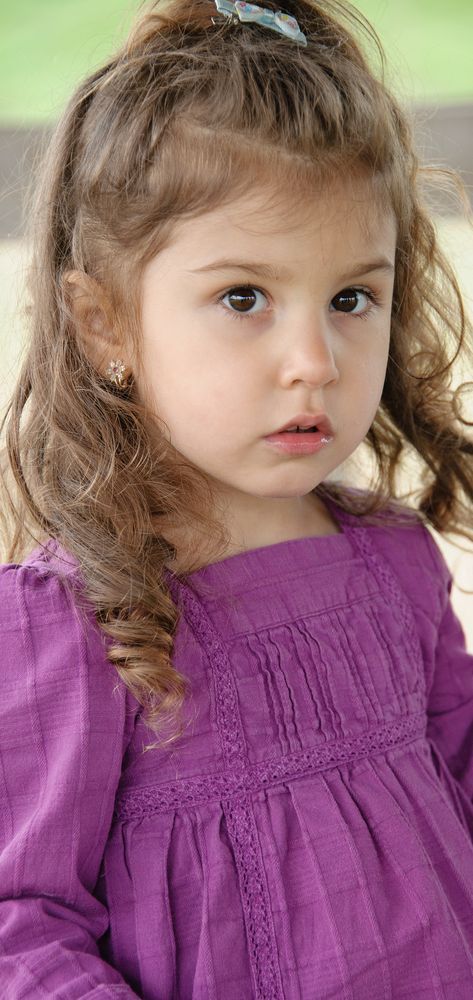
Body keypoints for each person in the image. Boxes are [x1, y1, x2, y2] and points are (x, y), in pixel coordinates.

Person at [0, 0, 472, 996]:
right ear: (104, 323)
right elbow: (21, 925)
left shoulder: (394, 561)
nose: (313, 361)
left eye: (350, 298)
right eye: (243, 298)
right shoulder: (80, 619)